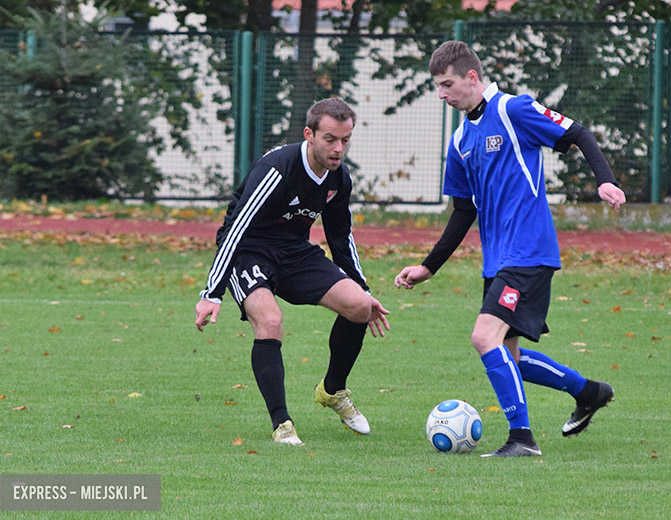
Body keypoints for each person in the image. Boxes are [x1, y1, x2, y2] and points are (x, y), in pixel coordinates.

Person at [394, 41, 626, 458]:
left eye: (448, 84)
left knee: (484, 337)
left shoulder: (513, 110)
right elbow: (463, 212)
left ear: (472, 77)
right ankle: (590, 392)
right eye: (437, 87)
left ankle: (522, 439)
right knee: (510, 360)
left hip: (529, 251)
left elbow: (577, 133)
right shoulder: (461, 140)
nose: (442, 94)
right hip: (498, 260)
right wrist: (429, 267)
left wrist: (604, 180)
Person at [196, 98, 390, 446]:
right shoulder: (278, 169)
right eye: (330, 139)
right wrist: (212, 292)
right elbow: (235, 229)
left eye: (345, 140)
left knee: (360, 306)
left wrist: (362, 287)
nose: (338, 148)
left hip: (295, 254)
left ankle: (332, 391)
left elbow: (340, 234)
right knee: (270, 322)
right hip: (249, 252)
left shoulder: (338, 178)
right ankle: (281, 422)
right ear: (309, 134)